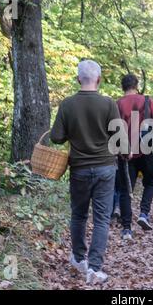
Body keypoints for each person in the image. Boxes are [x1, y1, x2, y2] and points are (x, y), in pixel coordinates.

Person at [50, 60, 120, 284]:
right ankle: (95, 268)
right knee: (101, 219)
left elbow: (56, 137)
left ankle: (79, 258)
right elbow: (119, 138)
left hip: (79, 168)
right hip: (106, 168)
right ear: (98, 79)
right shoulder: (109, 104)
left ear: (78, 79)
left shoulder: (67, 104)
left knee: (79, 215)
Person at [116, 74, 153, 240]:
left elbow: (115, 129)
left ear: (123, 86)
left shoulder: (119, 104)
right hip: (148, 149)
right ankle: (144, 213)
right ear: (137, 85)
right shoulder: (148, 101)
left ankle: (127, 229)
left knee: (125, 190)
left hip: (127, 151)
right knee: (150, 183)